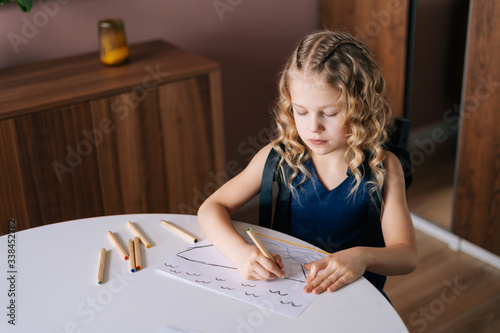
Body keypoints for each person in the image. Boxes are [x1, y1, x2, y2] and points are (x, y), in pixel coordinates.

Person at [197, 30, 417, 297]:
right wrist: (239, 252)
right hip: (288, 291)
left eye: (330, 113)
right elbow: (211, 208)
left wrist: (362, 257)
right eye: (301, 112)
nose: (314, 127)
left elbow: (406, 255)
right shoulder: (279, 155)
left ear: (361, 108)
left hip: (352, 296)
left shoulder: (384, 167)